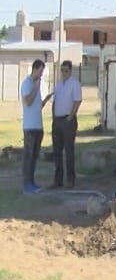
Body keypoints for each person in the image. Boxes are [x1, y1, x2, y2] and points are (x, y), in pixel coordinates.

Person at [20, 59, 52, 193]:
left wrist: (46, 99)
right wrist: (35, 87)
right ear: (35, 69)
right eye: (40, 71)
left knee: (34, 156)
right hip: (29, 127)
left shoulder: (36, 86)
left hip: (38, 126)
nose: (41, 74)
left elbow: (36, 106)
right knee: (28, 156)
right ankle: (26, 184)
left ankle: (32, 182)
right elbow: (27, 101)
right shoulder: (27, 83)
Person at [51, 60, 83, 189]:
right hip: (57, 120)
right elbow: (55, 101)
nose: (64, 73)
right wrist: (54, 117)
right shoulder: (58, 85)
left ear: (70, 71)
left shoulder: (74, 83)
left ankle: (70, 179)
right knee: (57, 151)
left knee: (69, 151)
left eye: (66, 70)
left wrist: (70, 116)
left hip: (68, 120)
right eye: (62, 70)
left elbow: (77, 100)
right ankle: (58, 180)